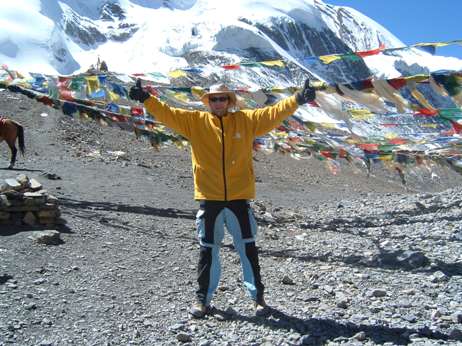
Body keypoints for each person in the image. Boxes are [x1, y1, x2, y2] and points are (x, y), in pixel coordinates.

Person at [129, 78, 316, 318]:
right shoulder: (194, 122)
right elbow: (167, 113)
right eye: (213, 99)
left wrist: (297, 99)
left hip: (239, 198)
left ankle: (258, 299)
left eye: (222, 98)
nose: (218, 102)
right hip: (210, 198)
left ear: (229, 101)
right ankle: (202, 301)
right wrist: (146, 98)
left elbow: (273, 113)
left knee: (248, 249)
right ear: (208, 102)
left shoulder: (246, 121)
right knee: (207, 251)